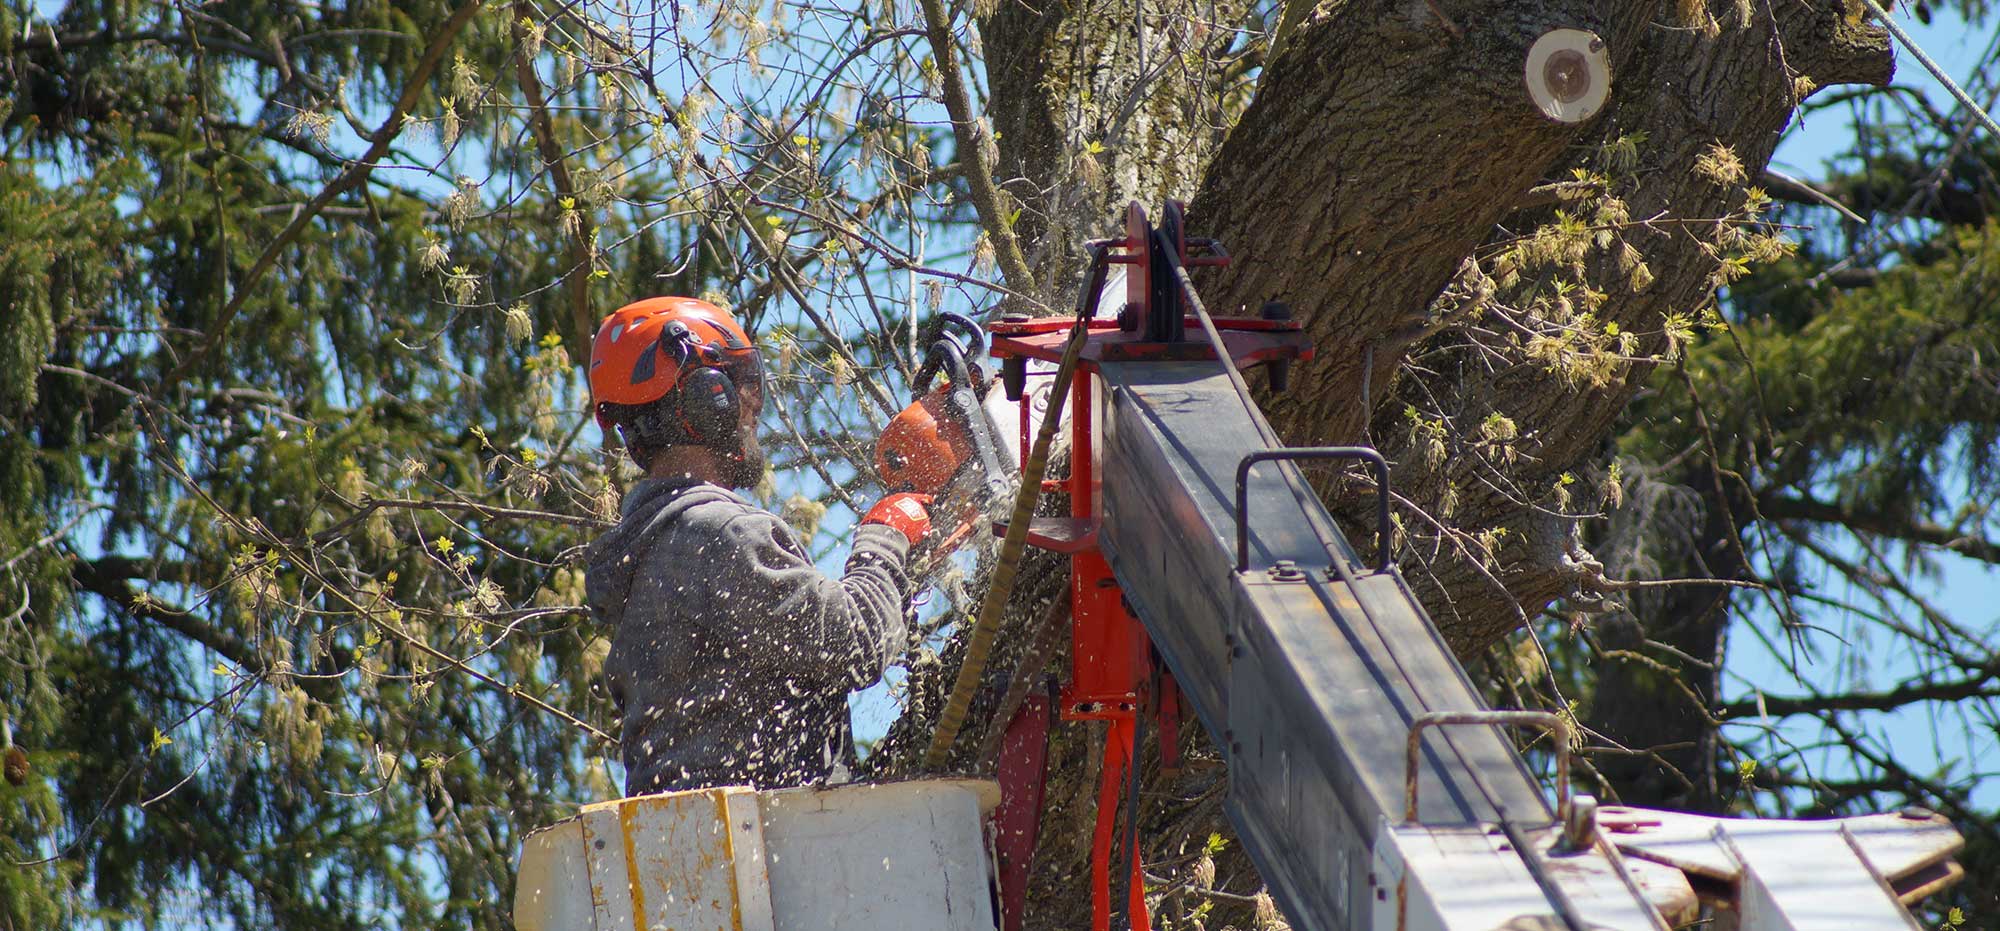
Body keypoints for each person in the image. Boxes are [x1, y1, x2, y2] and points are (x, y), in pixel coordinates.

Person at [583, 296, 934, 794]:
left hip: (710, 841)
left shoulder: (648, 555)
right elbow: (856, 644)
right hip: (781, 844)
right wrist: (887, 536)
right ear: (706, 398)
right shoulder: (718, 533)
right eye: (742, 381)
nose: (754, 402)